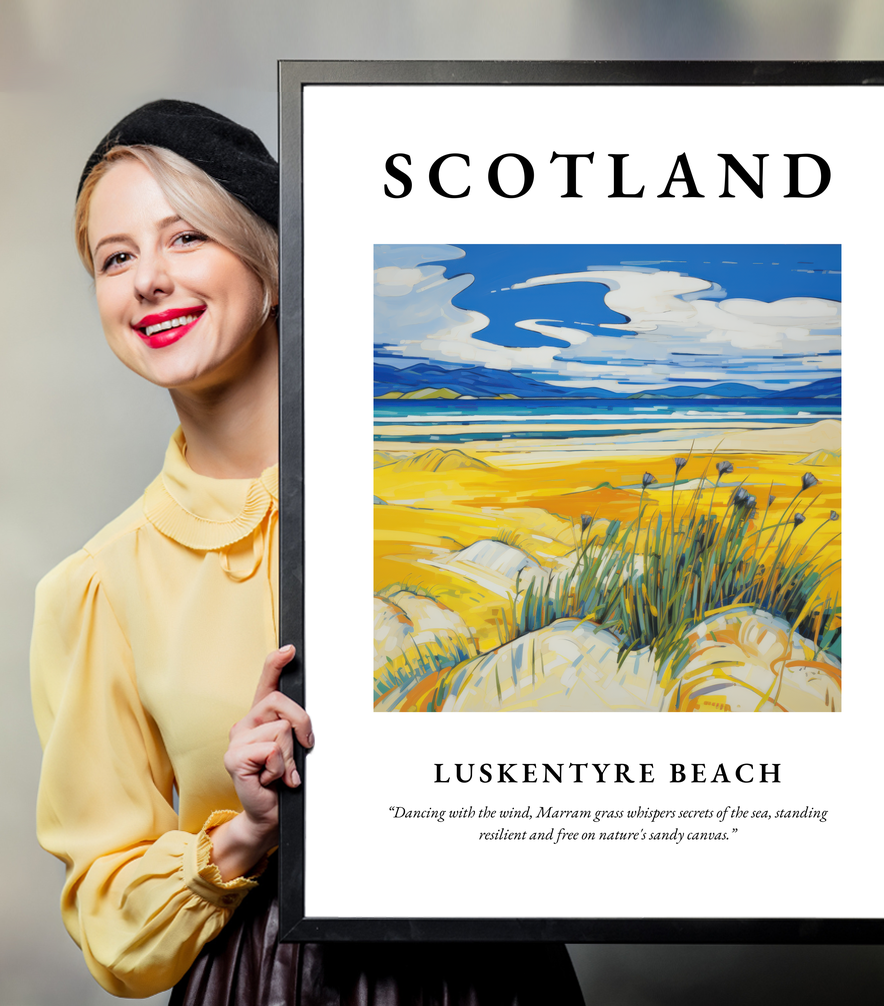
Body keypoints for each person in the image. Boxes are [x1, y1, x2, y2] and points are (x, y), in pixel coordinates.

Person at [30, 100, 586, 1004]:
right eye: (116, 257)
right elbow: (110, 923)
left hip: (493, 973)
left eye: (185, 239)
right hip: (263, 982)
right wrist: (245, 832)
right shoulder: (97, 587)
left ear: (273, 263)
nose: (148, 281)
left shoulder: (443, 497)